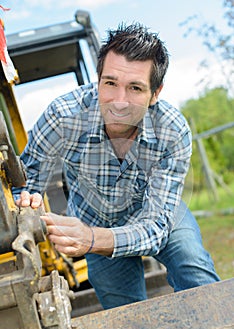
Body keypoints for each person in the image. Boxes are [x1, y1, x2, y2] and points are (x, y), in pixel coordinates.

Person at [13, 23, 220, 309]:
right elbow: (25, 179)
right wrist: (27, 200)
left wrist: (91, 238)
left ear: (156, 92)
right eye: (110, 83)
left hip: (154, 213)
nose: (119, 103)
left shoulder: (173, 131)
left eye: (135, 88)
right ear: (98, 80)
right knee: (123, 312)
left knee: (194, 267)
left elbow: (157, 226)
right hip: (93, 216)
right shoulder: (63, 116)